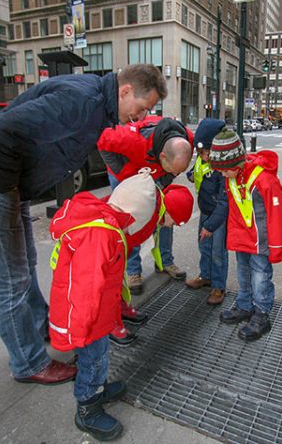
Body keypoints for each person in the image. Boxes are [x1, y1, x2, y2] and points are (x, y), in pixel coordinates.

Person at [0, 63, 167, 384]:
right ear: (125, 91)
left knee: (25, 265)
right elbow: (2, 132)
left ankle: (42, 326)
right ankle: (28, 363)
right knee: (10, 282)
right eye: (142, 108)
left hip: (7, 187)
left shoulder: (96, 101)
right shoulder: (83, 103)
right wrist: (8, 192)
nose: (140, 117)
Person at [48, 170, 156, 440]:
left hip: (97, 313)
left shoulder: (105, 221)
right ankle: (88, 407)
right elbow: (86, 288)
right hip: (88, 318)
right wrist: (82, 328)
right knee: (93, 360)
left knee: (99, 357)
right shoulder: (101, 235)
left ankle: (98, 387)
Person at [98, 116, 193, 295]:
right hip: (127, 174)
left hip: (155, 173)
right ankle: (133, 271)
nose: (176, 174)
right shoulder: (132, 140)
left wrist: (165, 179)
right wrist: (125, 174)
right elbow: (102, 140)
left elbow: (174, 169)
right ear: (162, 156)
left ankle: (165, 261)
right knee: (130, 222)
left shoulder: (186, 139)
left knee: (168, 214)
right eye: (174, 170)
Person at [209, 129, 282, 341]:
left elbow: (277, 214)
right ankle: (245, 306)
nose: (222, 175)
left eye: (224, 171)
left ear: (235, 164)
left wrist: (278, 246)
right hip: (243, 238)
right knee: (244, 272)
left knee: (260, 276)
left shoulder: (264, 180)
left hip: (260, 241)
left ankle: (261, 313)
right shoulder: (233, 177)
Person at [108, 182, 194, 346]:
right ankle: (110, 324)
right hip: (106, 244)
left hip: (118, 243)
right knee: (108, 285)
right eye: (175, 221)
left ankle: (120, 309)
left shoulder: (155, 210)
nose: (172, 226)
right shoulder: (145, 211)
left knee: (117, 281)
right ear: (169, 211)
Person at [185, 118, 229, 305]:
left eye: (207, 152)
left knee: (218, 251)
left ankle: (218, 287)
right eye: (200, 152)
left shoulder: (223, 169)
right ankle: (206, 276)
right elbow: (196, 171)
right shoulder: (203, 162)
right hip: (205, 210)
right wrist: (190, 175)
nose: (203, 156)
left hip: (218, 215)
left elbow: (224, 202)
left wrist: (211, 225)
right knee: (204, 246)